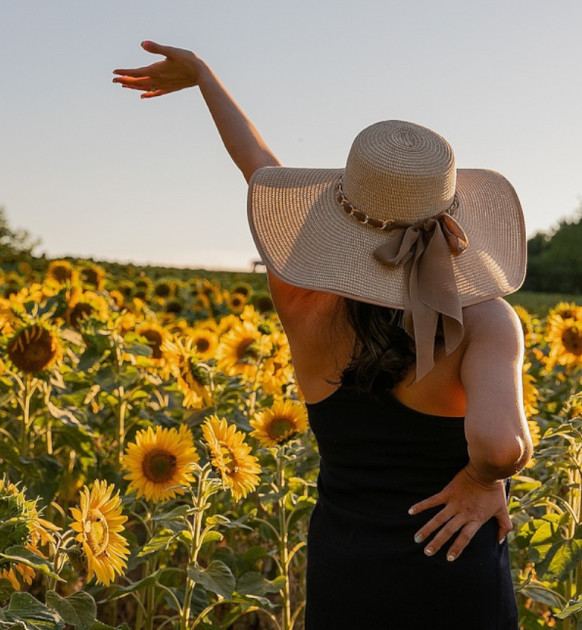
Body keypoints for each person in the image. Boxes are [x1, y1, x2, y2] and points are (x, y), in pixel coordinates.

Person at [113, 41, 532, 629]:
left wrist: (206, 78)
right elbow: (499, 446)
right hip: (452, 564)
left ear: (342, 212)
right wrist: (481, 482)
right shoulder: (485, 319)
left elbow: (261, 170)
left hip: (348, 566)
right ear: (449, 211)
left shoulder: (301, 296)